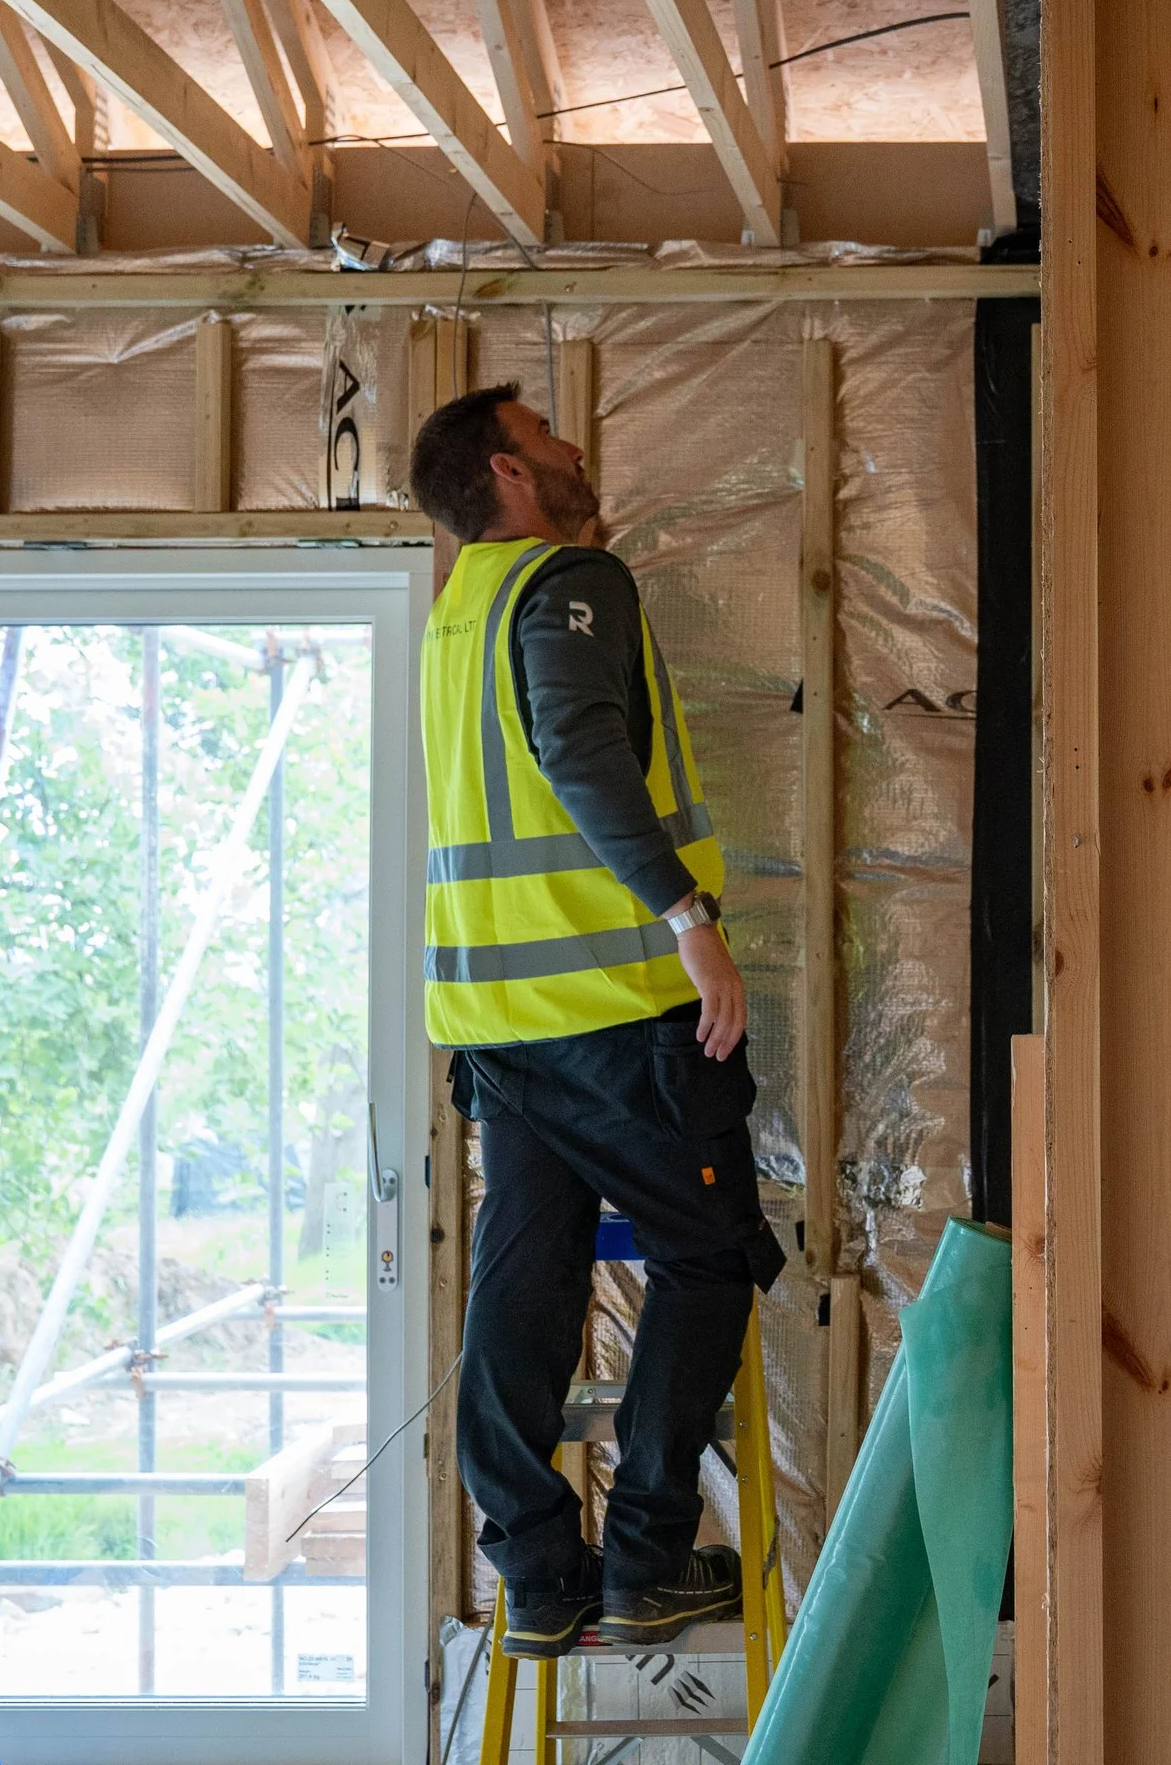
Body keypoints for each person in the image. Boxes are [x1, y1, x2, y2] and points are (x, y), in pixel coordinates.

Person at [412, 384, 785, 1657]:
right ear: (509, 474)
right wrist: (687, 915)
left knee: (525, 1284)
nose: (575, 449)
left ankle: (535, 1571)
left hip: (499, 1026)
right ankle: (643, 1558)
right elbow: (578, 741)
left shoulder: (457, 610)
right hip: (618, 1013)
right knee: (709, 1254)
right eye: (550, 435)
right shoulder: (569, 579)